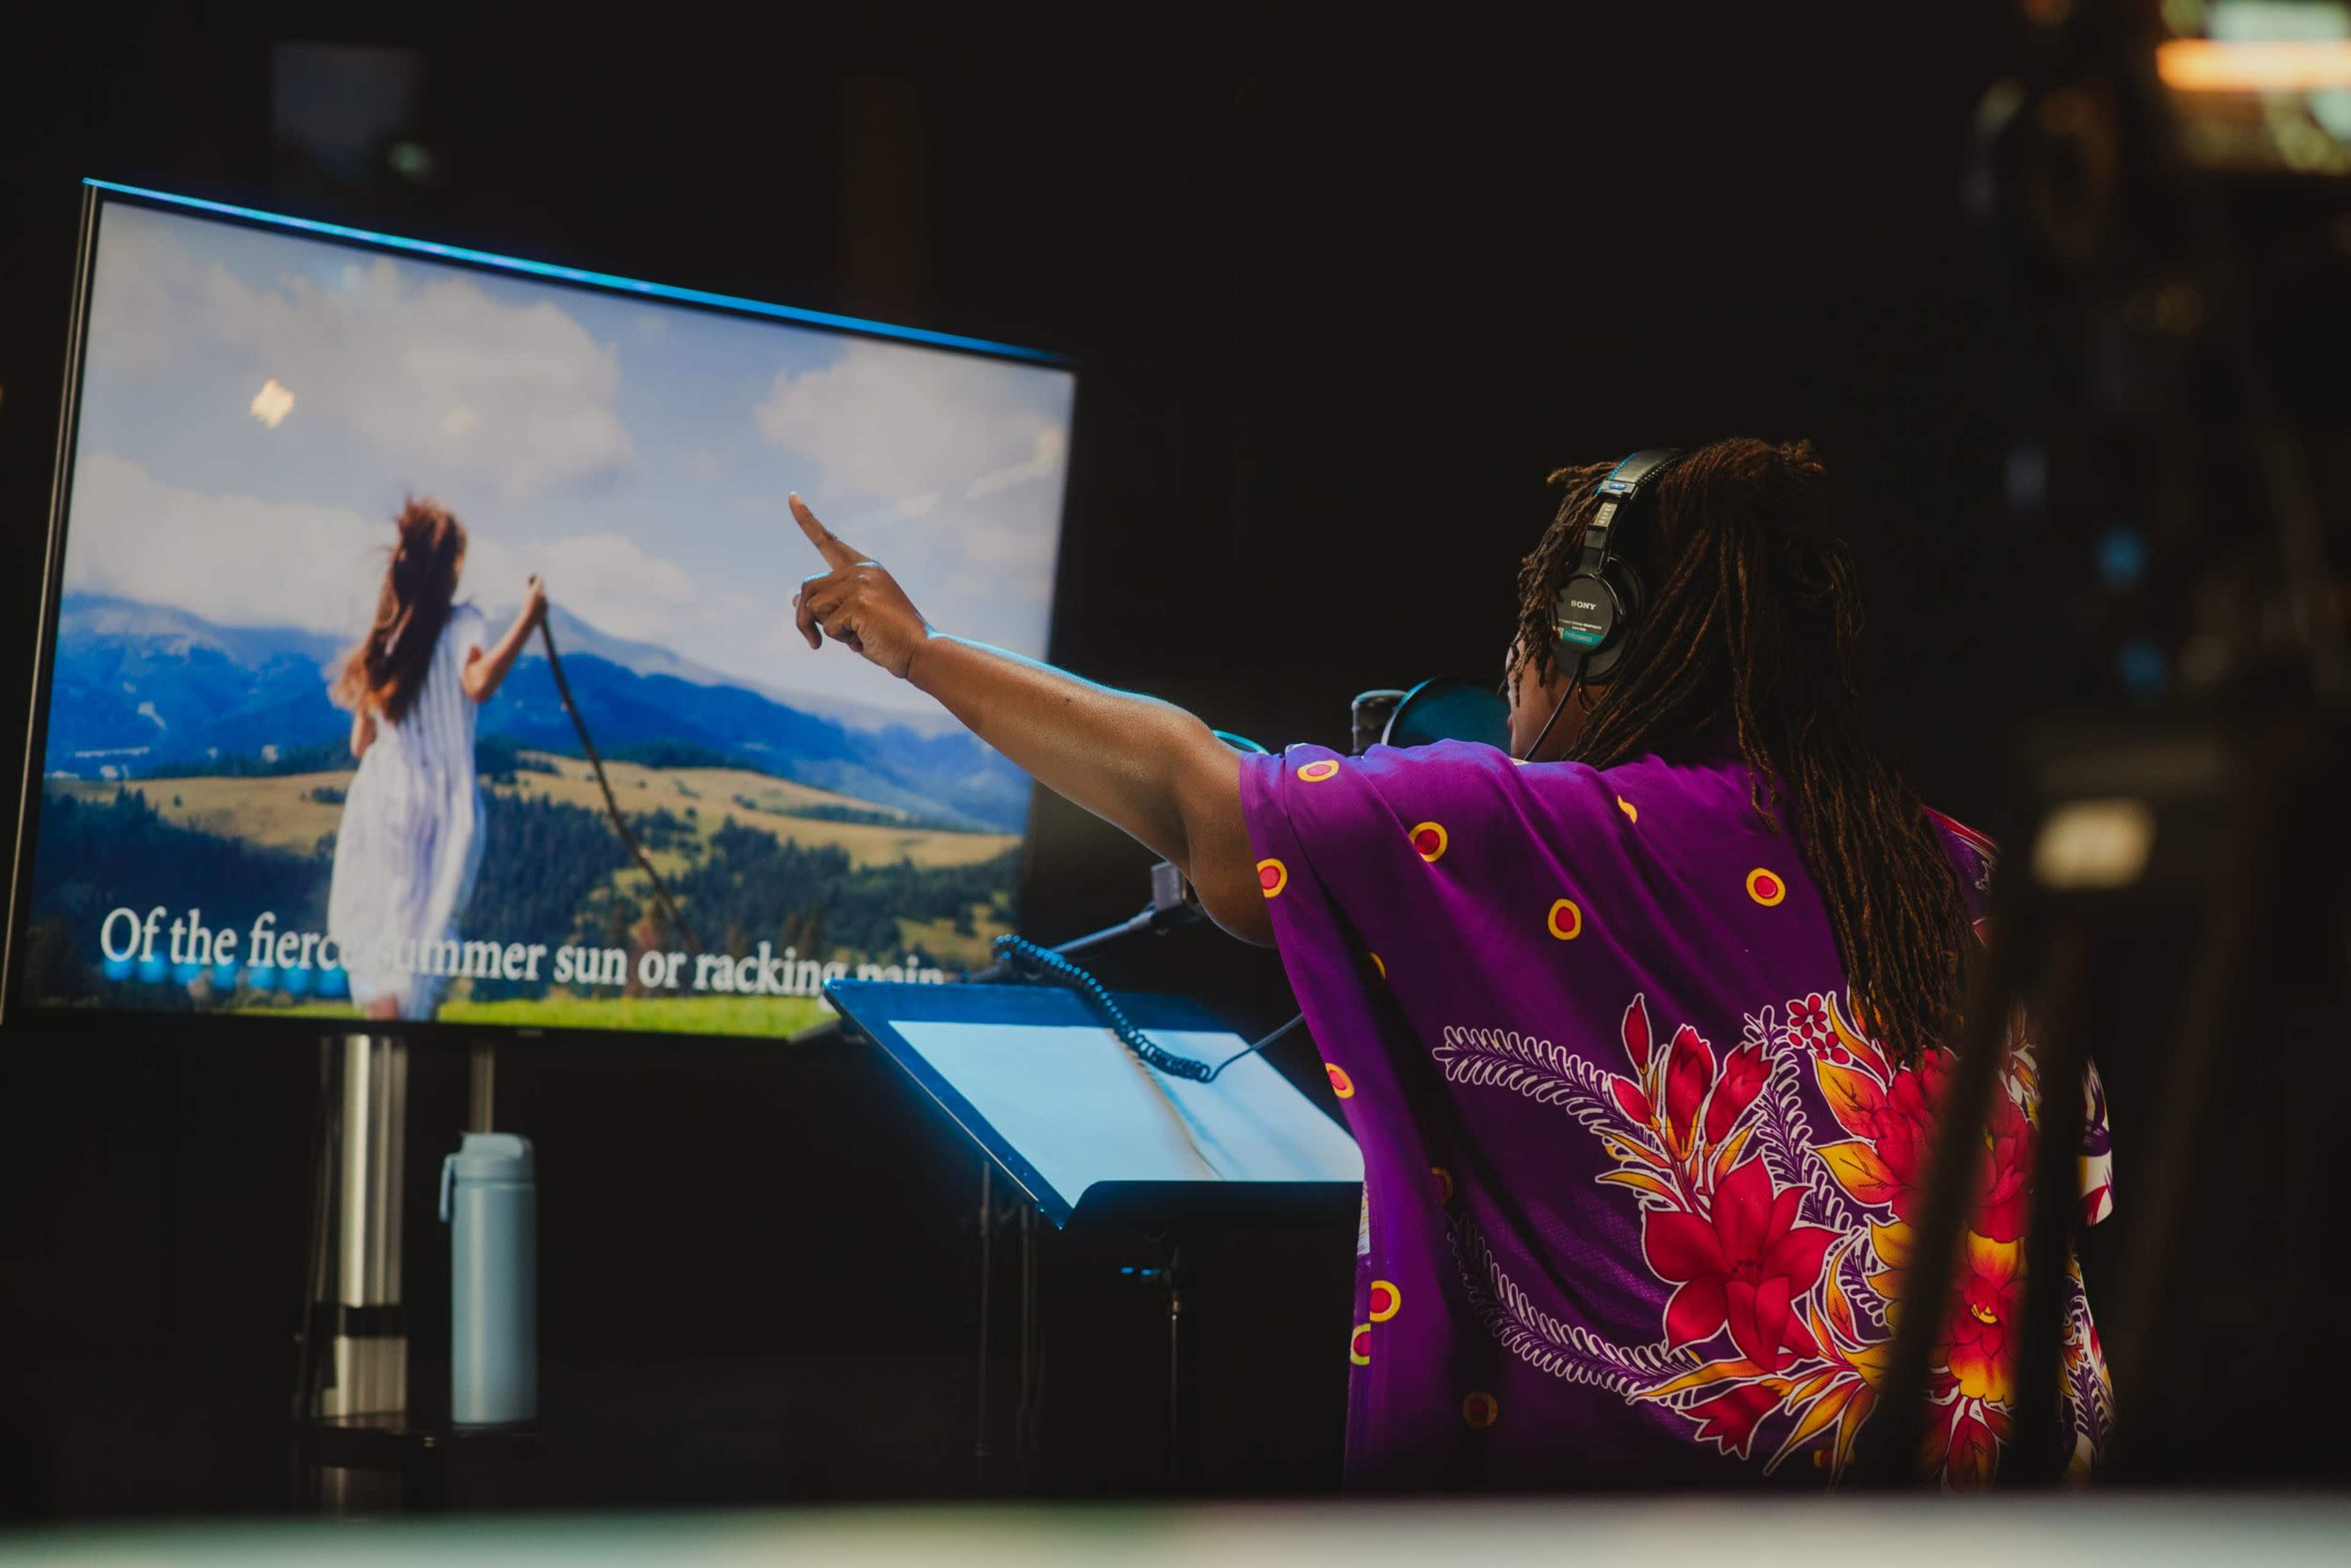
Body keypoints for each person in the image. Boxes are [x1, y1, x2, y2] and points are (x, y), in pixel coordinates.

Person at [784, 436, 2113, 1490]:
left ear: (1588, 634)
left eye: (1522, 651)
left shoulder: (1554, 832)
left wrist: (921, 652)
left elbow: (1202, 803)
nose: (1514, 697)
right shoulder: (1974, 870)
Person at [327, 498, 546, 1022]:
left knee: (384, 954)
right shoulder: (463, 623)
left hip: (382, 802)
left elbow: (360, 744)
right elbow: (477, 683)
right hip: (439, 803)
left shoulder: (387, 636)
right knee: (418, 956)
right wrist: (529, 619)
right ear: (450, 567)